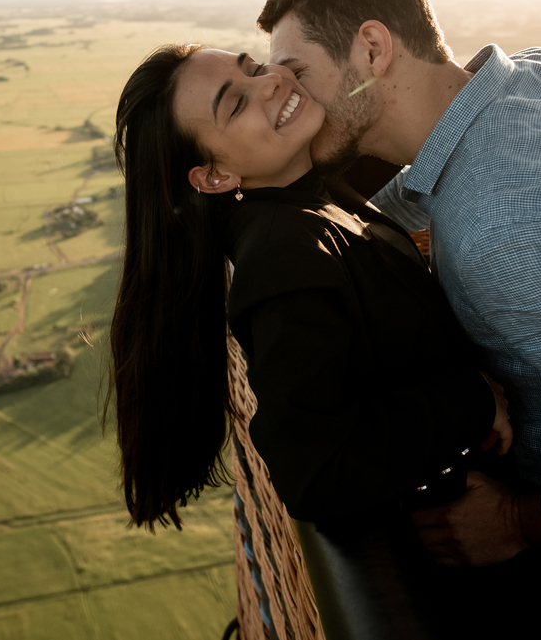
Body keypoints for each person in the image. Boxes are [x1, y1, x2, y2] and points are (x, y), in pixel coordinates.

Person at [259, 0, 541, 620]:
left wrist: (520, 521)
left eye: (299, 75)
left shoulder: (505, 231)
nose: (289, 100)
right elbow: (440, 184)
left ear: (372, 48)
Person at [106, 43, 515, 543]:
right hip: (474, 544)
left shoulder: (307, 189)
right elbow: (314, 474)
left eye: (254, 67)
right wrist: (471, 402)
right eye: (235, 103)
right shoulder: (282, 258)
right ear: (215, 176)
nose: (270, 81)